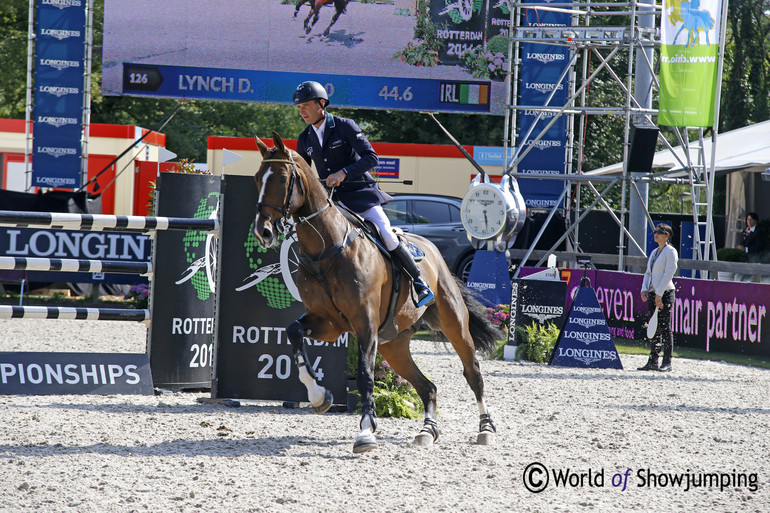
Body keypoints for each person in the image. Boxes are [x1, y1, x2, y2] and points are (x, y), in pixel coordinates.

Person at [292, 80, 434, 307]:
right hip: (333, 201)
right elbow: (305, 174)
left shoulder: (344, 126)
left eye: (306, 105)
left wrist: (344, 172)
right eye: (299, 108)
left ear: (321, 104)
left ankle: (418, 282)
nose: (302, 111)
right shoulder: (304, 138)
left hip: (360, 195)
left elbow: (371, 158)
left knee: (386, 233)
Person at [638, 224, 678, 372]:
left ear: (667, 235)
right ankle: (653, 360)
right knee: (653, 327)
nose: (656, 234)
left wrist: (659, 293)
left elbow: (669, 272)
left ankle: (667, 362)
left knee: (665, 327)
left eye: (659, 232)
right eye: (655, 232)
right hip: (654, 293)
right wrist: (644, 288)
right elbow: (648, 272)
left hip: (666, 293)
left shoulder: (671, 251)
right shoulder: (655, 252)